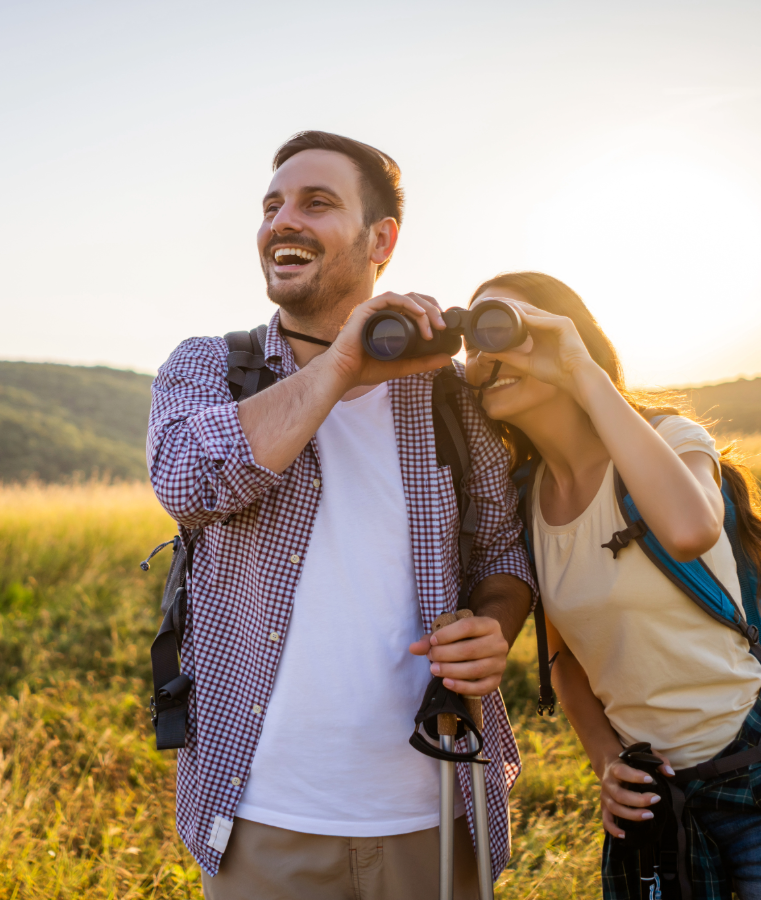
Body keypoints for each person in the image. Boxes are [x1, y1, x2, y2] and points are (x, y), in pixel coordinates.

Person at [146, 130, 536, 900]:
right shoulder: (208, 368)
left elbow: (503, 554)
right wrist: (343, 365)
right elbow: (189, 483)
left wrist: (496, 626)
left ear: (380, 239)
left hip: (435, 813)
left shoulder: (452, 397)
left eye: (316, 203)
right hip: (261, 820)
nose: (281, 221)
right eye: (271, 206)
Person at [464, 270, 761, 899]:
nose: (486, 354)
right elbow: (565, 664)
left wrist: (581, 370)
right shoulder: (522, 502)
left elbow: (689, 531)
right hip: (659, 798)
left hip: (755, 764)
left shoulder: (668, 440)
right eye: (474, 341)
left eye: (505, 329)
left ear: (567, 338)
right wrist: (607, 764)